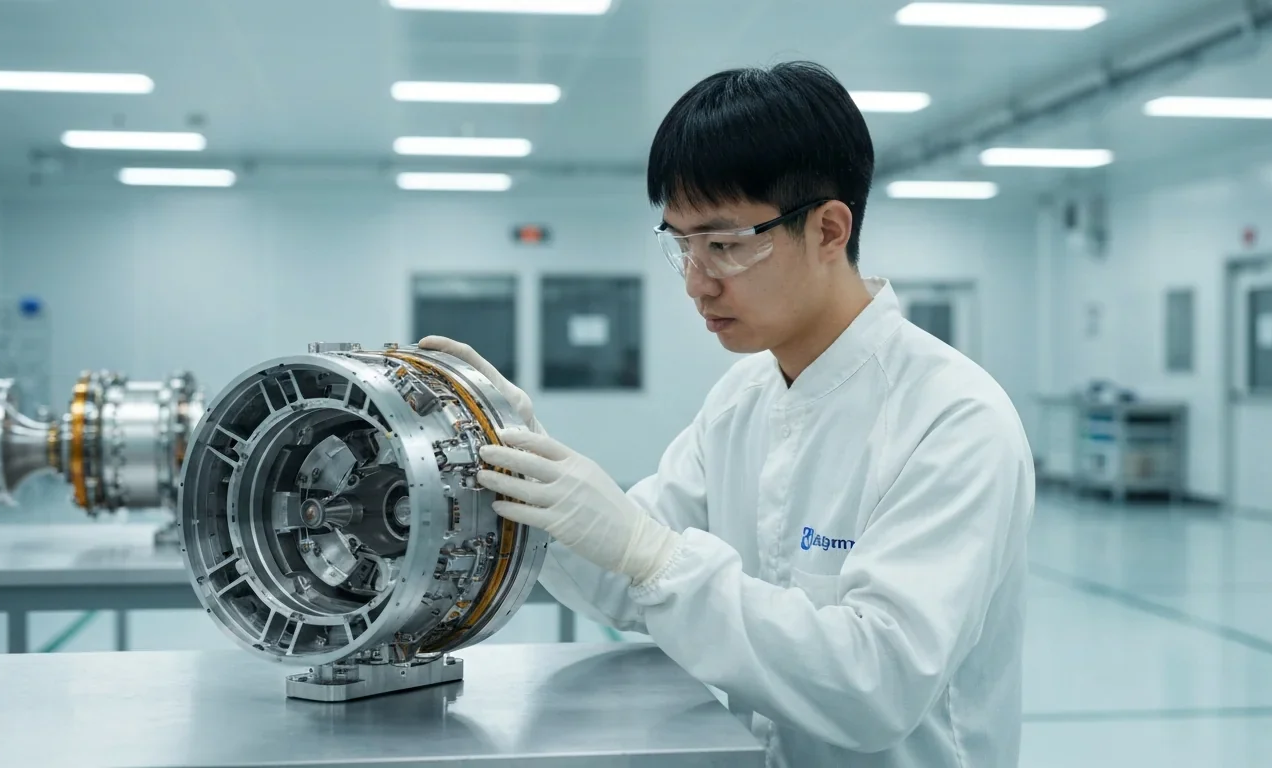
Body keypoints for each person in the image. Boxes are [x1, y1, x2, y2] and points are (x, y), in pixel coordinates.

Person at [420, 61, 1034, 768]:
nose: (696, 281)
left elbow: (877, 683)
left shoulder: (953, 419)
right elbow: (629, 581)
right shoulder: (745, 397)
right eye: (680, 244)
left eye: (726, 246)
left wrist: (652, 554)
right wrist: (525, 479)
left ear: (830, 229)